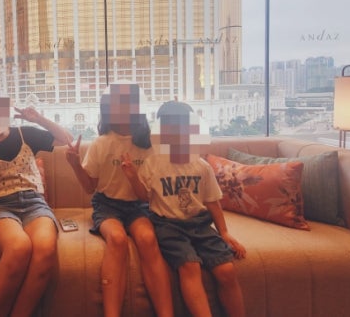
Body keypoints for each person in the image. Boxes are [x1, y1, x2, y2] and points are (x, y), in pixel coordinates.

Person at [0, 83, 73, 317]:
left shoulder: (24, 133)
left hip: (34, 204)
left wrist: (39, 119)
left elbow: (67, 139)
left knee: (45, 249)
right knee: (19, 247)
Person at [121, 100, 246, 317]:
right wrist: (132, 177)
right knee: (190, 266)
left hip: (200, 225)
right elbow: (144, 197)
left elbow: (212, 202)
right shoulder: (153, 164)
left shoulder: (202, 166)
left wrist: (224, 232)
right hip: (168, 226)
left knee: (226, 270)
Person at [65, 82, 174, 317]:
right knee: (117, 239)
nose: (120, 108)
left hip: (139, 205)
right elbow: (89, 187)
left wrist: (133, 177)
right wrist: (75, 164)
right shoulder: (102, 142)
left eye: (127, 103)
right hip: (107, 205)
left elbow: (147, 194)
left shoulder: (149, 144)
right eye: (114, 103)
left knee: (147, 238)